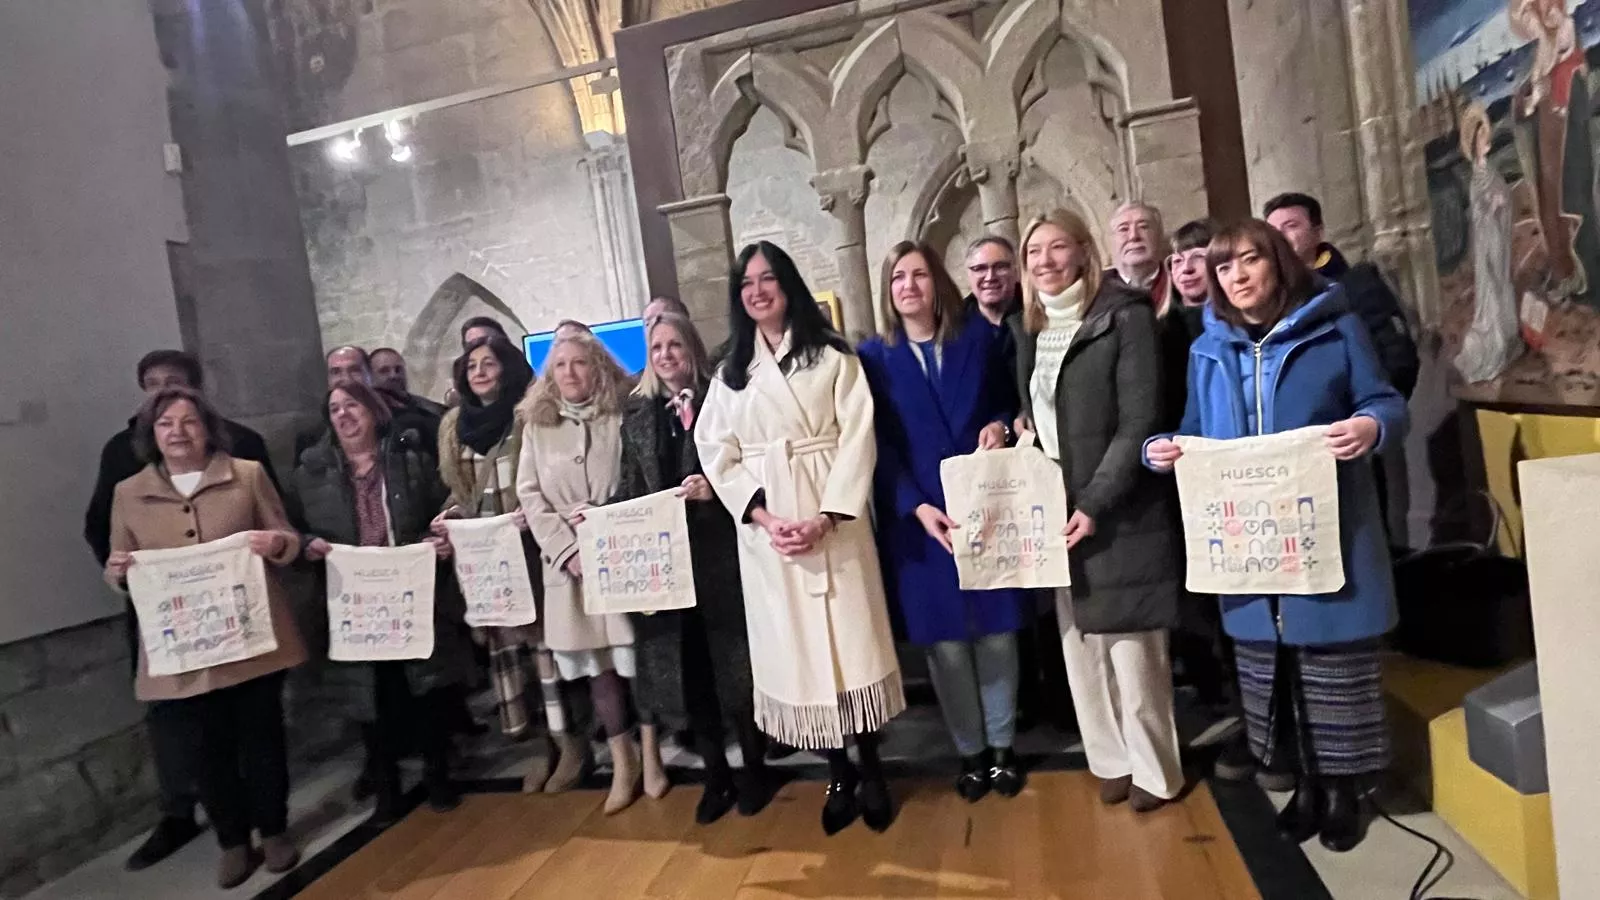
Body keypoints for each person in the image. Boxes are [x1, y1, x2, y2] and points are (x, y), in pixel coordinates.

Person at [1144, 219, 1407, 853]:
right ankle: (1304, 788)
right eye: (1224, 267)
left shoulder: (1334, 325)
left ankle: (1343, 791)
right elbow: (1190, 428)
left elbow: (1385, 401)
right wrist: (1162, 449)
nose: (1236, 277)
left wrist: (1370, 427)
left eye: (1249, 261)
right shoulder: (1207, 349)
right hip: (1250, 541)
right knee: (1275, 671)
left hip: (1328, 526)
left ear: (1279, 264)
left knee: (1331, 666)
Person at [695, 241, 906, 835]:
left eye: (767, 279)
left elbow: (859, 435)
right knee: (800, 653)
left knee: (848, 646)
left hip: (832, 523)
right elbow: (717, 452)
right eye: (746, 284)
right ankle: (836, 772)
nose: (757, 291)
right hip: (770, 538)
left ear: (787, 284)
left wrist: (826, 516)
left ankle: (872, 768)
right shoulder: (731, 371)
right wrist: (762, 517)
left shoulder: (832, 356)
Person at [1009, 208, 1185, 813]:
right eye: (1034, 253)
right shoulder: (1027, 328)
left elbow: (1139, 420)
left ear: (1085, 252)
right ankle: (1109, 760)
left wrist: (1095, 501)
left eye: (1058, 248)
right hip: (1053, 511)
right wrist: (1019, 428)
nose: (1046, 261)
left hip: (1116, 508)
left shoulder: (1125, 315)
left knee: (1133, 652)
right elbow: (1037, 409)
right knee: (1079, 648)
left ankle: (1156, 771)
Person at [82, 350, 277, 872]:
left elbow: (285, 533)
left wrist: (275, 545)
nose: (177, 430)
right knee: (200, 743)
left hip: (247, 628)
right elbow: (108, 547)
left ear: (207, 417)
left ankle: (275, 829)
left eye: (188, 418)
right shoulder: (126, 482)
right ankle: (231, 840)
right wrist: (121, 573)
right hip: (179, 636)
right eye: (165, 420)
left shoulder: (247, 466)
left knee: (259, 733)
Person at [859, 241, 1026, 802]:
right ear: (888, 290)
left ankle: (1003, 748)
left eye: (920, 275)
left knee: (999, 635)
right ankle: (971, 752)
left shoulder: (976, 340)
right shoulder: (873, 358)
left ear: (938, 284)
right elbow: (877, 444)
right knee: (948, 647)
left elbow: (1007, 402)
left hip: (985, 508)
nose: (909, 285)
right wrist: (912, 504)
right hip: (922, 521)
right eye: (898, 277)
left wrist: (999, 426)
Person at [284, 380, 474, 824]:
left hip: (409, 591)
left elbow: (441, 508)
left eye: (353, 405)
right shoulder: (310, 473)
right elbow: (291, 529)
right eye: (335, 409)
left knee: (425, 689)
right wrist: (308, 543)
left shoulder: (410, 461)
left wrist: (440, 535)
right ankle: (386, 783)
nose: (345, 415)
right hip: (355, 601)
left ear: (373, 412)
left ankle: (437, 772)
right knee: (372, 697)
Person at [611, 313, 768, 824]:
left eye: (675, 344)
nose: (666, 355)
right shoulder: (635, 417)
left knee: (737, 673)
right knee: (691, 677)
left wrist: (716, 493)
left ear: (693, 350)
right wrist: (600, 518)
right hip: (667, 567)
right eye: (656, 347)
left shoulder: (724, 397)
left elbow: (751, 466)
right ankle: (716, 776)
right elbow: (628, 488)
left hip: (721, 556)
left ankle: (754, 770)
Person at [435, 335, 585, 793]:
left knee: (545, 655)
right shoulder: (453, 427)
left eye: (489, 363)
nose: (479, 371)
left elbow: (542, 475)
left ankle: (571, 745)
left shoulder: (528, 416)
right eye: (472, 365)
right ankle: (541, 746)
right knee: (508, 660)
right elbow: (463, 491)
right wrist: (449, 517)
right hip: (487, 563)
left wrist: (529, 513)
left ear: (507, 368)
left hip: (529, 551)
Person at [515, 332, 641, 815]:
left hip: (621, 550)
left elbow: (637, 475)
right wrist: (567, 549)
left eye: (580, 363)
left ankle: (651, 755)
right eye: (560, 364)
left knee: (636, 658)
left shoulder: (622, 414)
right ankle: (622, 760)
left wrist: (610, 518)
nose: (569, 372)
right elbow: (530, 495)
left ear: (598, 367)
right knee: (598, 668)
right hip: (568, 566)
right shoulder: (536, 425)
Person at [1161, 219, 1238, 725]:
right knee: (1195, 595)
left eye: (1197, 257)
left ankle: (1241, 697)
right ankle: (1215, 689)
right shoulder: (1161, 327)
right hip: (1181, 476)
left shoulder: (1235, 328)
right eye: (1177, 261)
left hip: (1235, 478)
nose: (1186, 268)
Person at [1262, 193, 1419, 398]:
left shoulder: (1355, 284)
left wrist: (1371, 413)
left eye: (1291, 226)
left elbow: (1397, 357)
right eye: (1273, 231)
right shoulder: (1266, 297)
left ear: (1318, 233)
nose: (1280, 237)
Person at [1454, 102, 1524, 383]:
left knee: (1502, 281)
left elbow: (1502, 196)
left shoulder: (1489, 169)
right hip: (1489, 239)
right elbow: (1480, 209)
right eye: (1482, 137)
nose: (1487, 142)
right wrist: (1493, 205)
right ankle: (1495, 336)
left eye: (1487, 136)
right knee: (1494, 284)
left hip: (1499, 235)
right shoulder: (1477, 177)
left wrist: (1502, 202)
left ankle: (1508, 336)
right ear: (1474, 141)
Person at [1105, 201, 1170, 303]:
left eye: (1143, 227)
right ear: (1111, 242)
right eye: (1123, 229)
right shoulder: (1094, 293)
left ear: (1159, 236)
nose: (1134, 236)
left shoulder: (1182, 284)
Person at [371, 347, 449, 417]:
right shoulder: (370, 415)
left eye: (398, 369)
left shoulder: (429, 409)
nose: (394, 375)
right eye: (384, 371)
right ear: (369, 375)